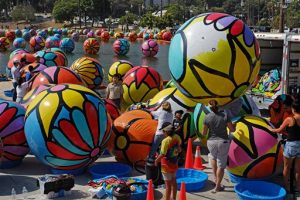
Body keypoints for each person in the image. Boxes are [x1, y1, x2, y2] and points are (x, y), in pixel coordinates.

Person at [203, 100, 235, 193]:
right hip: (223, 141)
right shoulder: (225, 116)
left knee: (213, 157)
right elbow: (232, 130)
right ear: (219, 106)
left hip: (211, 141)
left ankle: (215, 179)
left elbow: (204, 133)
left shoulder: (207, 117)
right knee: (221, 164)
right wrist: (234, 126)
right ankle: (217, 186)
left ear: (210, 107)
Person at [269, 98, 300, 192]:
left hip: (291, 145)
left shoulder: (290, 119)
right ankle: (298, 188)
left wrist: (270, 129)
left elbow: (278, 130)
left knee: (286, 167)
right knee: (298, 169)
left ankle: (286, 187)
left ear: (293, 108)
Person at [155, 122, 181, 200]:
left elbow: (162, 154)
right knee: (174, 182)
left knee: (168, 185)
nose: (163, 133)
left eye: (163, 131)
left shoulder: (165, 141)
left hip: (166, 165)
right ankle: (174, 198)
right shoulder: (177, 137)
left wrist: (156, 161)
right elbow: (179, 149)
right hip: (174, 163)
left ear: (166, 131)